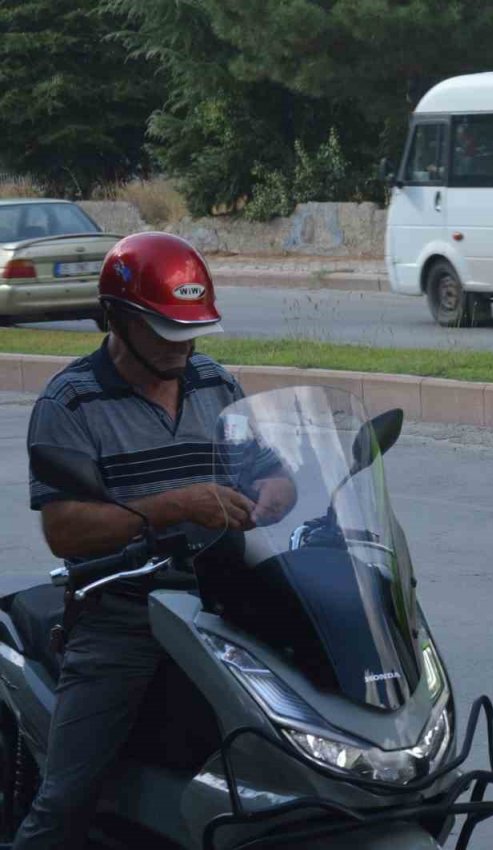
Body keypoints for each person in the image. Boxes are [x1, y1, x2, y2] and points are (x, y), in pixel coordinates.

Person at [16, 231, 294, 849]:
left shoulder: (215, 384)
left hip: (224, 607)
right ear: (114, 316)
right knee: (66, 801)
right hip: (123, 614)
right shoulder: (70, 401)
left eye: (191, 330)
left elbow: (274, 474)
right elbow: (63, 529)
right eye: (167, 330)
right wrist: (169, 509)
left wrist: (277, 492)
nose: (183, 345)